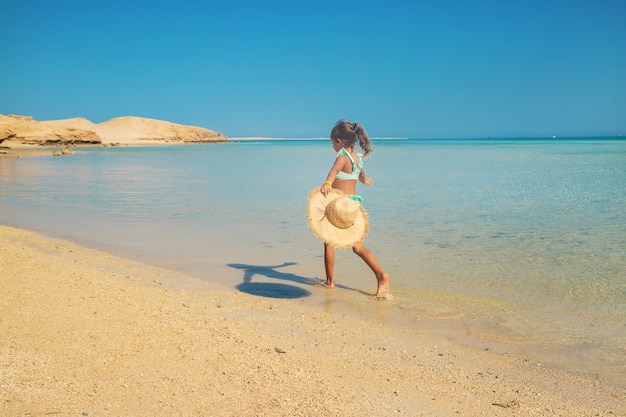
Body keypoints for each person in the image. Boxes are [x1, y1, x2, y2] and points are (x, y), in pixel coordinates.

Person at [311, 120, 389, 298]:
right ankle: (380, 275)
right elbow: (360, 175)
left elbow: (333, 171)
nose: (332, 145)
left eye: (332, 142)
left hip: (340, 205)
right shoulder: (357, 158)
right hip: (353, 207)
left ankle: (330, 283)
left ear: (338, 141)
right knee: (358, 247)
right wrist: (364, 180)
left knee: (328, 242)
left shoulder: (342, 157)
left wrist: (327, 184)